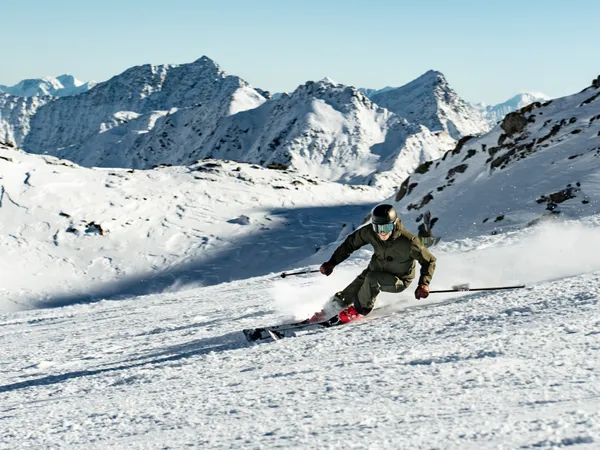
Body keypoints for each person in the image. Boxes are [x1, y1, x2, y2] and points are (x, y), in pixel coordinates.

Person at [312, 203, 436, 323]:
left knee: (372, 279)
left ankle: (359, 310)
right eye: (378, 228)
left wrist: (423, 284)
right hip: (375, 269)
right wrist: (332, 262)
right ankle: (333, 309)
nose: (382, 232)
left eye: (386, 227)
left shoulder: (409, 242)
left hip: (398, 279)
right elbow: (350, 243)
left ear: (394, 225)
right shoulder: (370, 232)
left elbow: (429, 261)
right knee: (360, 281)